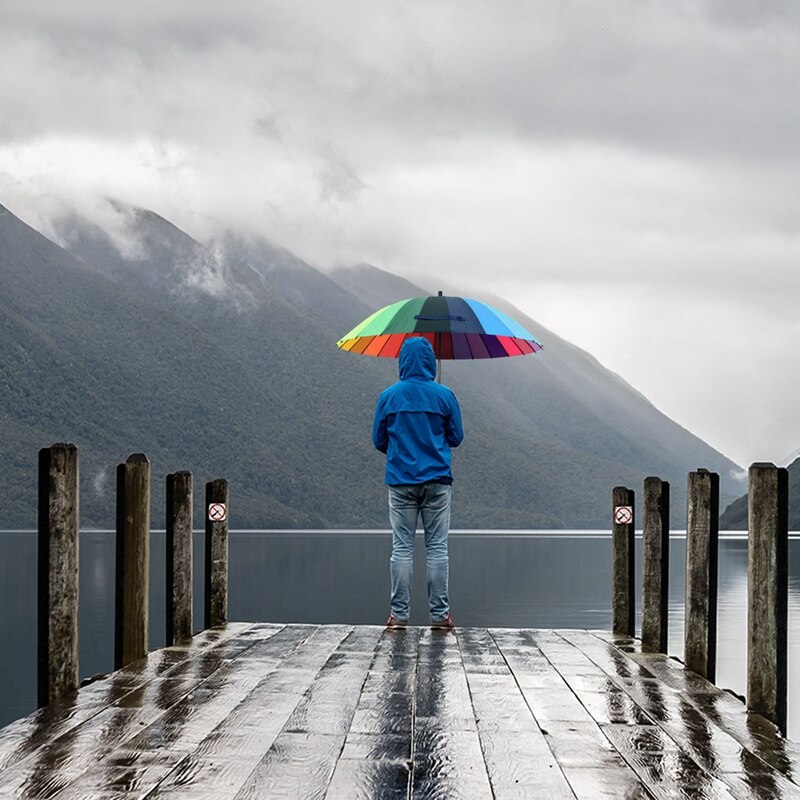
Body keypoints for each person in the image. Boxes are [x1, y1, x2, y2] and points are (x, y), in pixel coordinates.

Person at [372, 336, 464, 630]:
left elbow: (379, 440)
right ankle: (440, 616)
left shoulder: (388, 396)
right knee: (437, 548)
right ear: (429, 362)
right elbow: (456, 437)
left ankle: (398, 616)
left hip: (400, 482)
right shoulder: (445, 395)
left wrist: (402, 451)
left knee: (402, 548)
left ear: (402, 360)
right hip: (437, 481)